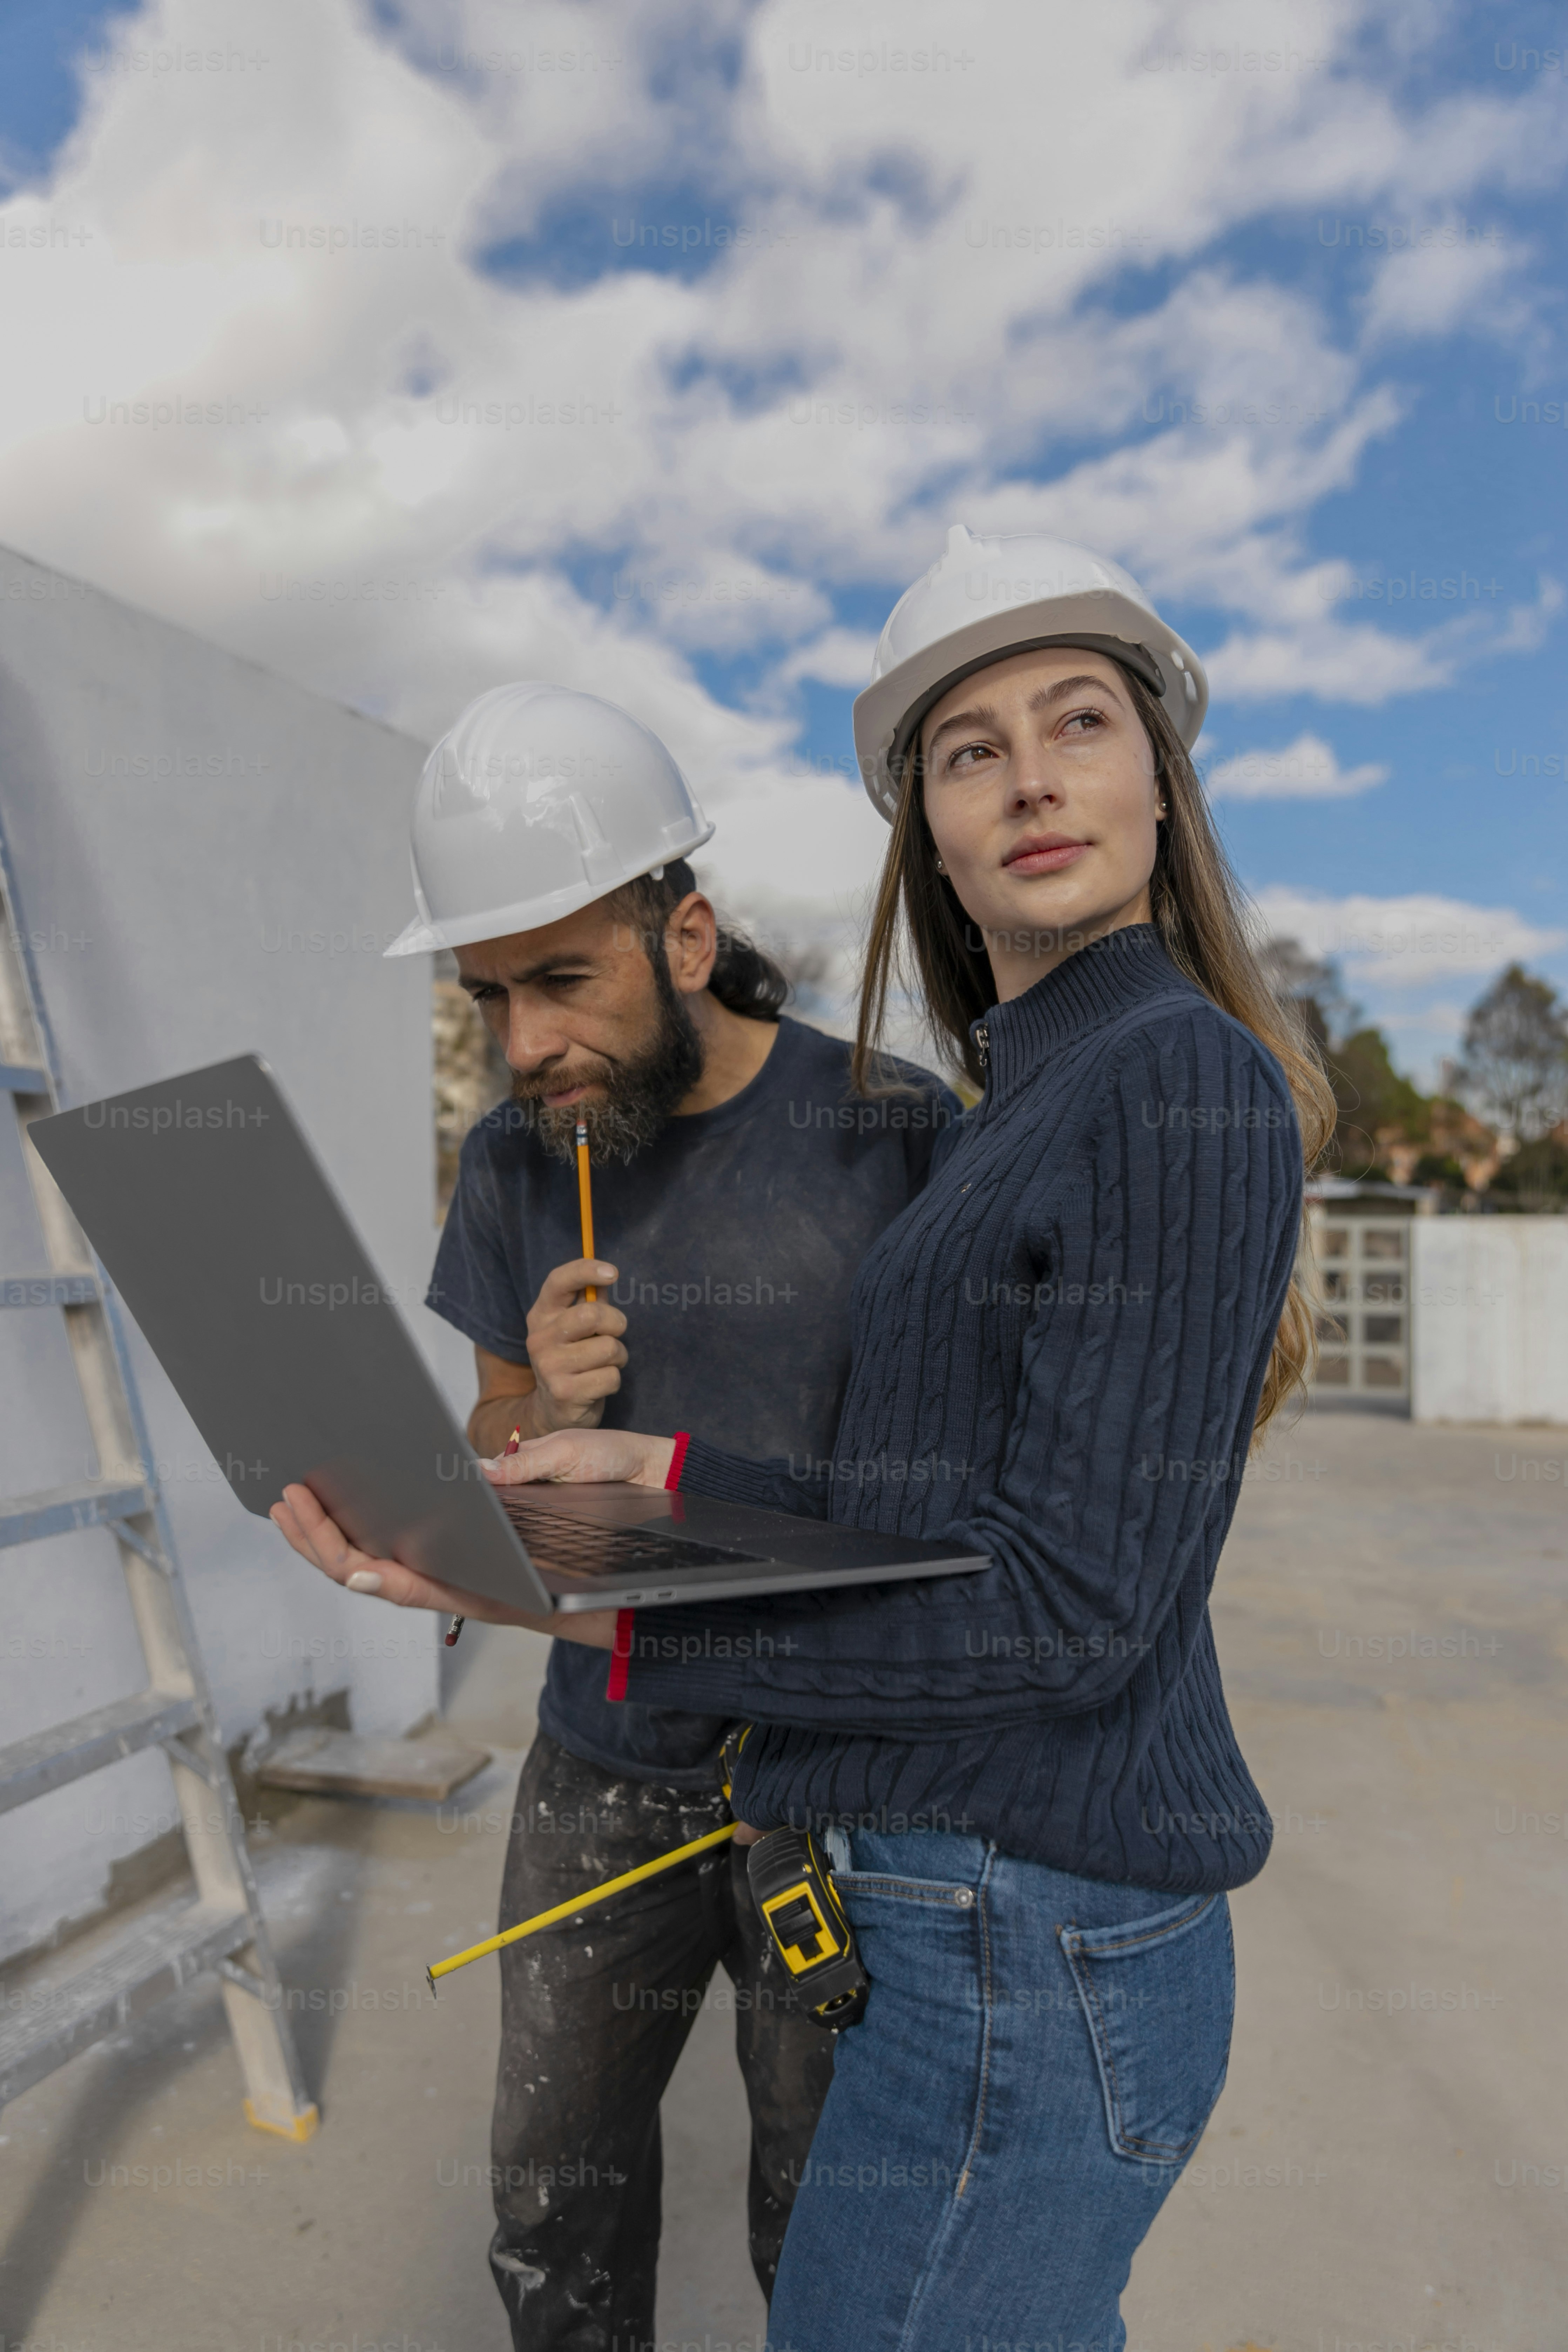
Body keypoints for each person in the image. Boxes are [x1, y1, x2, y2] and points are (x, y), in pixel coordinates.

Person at [277, 533, 1334, 2352]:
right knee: (602, 2198)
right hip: (920, 1870)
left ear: (1161, 775)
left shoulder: (1066, 1093)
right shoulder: (1038, 1089)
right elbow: (938, 1509)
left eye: (1075, 722)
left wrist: (604, 1604)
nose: (1023, 776)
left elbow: (1060, 1599)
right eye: (965, 747)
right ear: (922, 822)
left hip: (992, 1886)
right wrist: (647, 1477)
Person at [277, 679, 956, 2351]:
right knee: (551, 2199)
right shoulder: (521, 1163)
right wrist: (544, 1413)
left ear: (685, 932)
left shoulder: (892, 1130)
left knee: (832, 2216)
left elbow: (949, 1498)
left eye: (561, 982)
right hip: (603, 1754)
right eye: (489, 995)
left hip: (833, 1773)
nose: (522, 1047)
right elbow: (493, 1435)